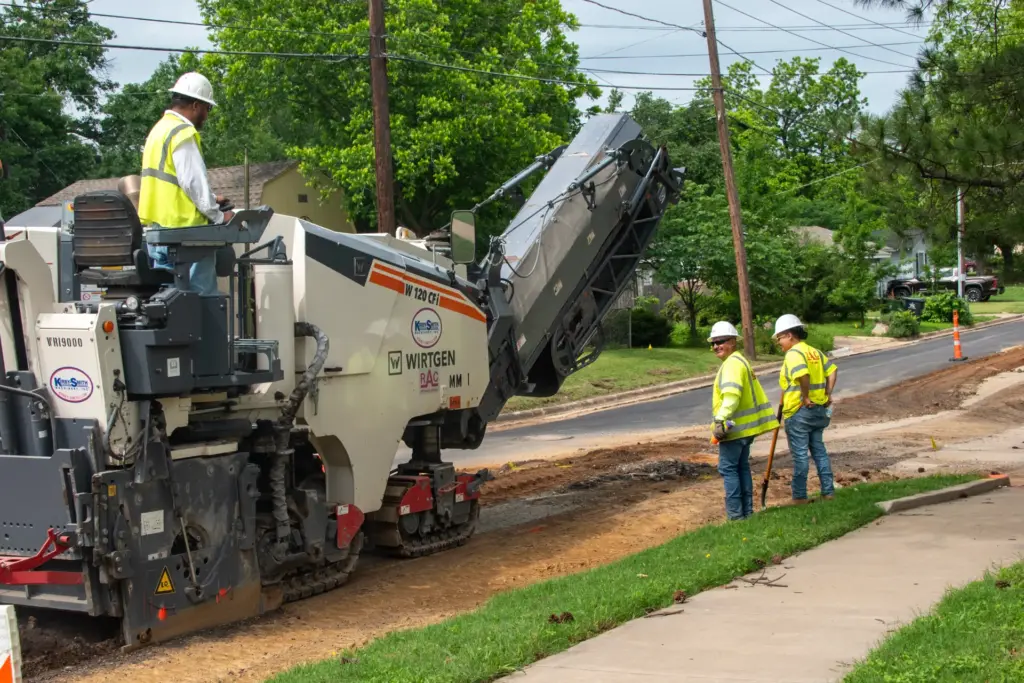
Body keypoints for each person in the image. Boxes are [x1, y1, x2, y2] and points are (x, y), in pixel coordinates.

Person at [137, 72, 234, 296]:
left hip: (160, 233)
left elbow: (173, 180)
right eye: (207, 109)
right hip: (188, 239)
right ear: (195, 105)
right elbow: (192, 181)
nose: (206, 116)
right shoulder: (183, 132)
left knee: (170, 303)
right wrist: (218, 216)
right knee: (202, 301)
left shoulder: (158, 130)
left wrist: (212, 198)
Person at [708, 321, 780, 521]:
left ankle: (736, 516)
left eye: (720, 341)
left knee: (728, 469)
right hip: (745, 430)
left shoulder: (731, 365)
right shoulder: (740, 361)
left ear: (732, 341)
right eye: (713, 343)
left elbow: (731, 396)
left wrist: (720, 420)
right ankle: (747, 513)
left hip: (733, 430)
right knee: (741, 467)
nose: (716, 346)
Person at [773, 314, 839, 504]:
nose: (779, 342)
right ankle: (828, 492)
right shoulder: (814, 352)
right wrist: (828, 393)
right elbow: (833, 370)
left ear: (790, 335)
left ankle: (800, 496)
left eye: (780, 338)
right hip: (819, 410)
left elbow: (802, 375)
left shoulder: (794, 354)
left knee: (800, 455)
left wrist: (806, 395)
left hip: (799, 411)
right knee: (819, 451)